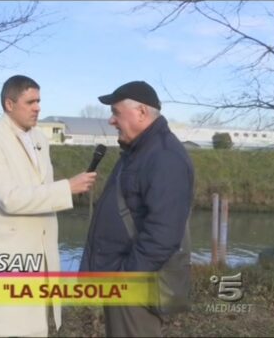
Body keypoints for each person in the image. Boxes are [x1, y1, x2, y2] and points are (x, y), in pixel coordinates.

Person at [0, 75, 97, 337]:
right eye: (30, 101)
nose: (38, 107)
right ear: (9, 104)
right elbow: (9, 198)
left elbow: (38, 189)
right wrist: (67, 188)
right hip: (9, 258)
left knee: (37, 329)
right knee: (3, 329)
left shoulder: (40, 138)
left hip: (42, 257)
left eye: (39, 101)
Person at [80, 81, 194, 337]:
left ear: (141, 112)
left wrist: (125, 277)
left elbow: (163, 234)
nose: (111, 121)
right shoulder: (139, 151)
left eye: (116, 113)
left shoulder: (165, 156)